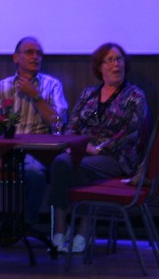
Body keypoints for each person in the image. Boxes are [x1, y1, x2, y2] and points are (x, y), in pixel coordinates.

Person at [49, 42, 149, 253]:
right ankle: (60, 229)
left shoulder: (135, 96)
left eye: (119, 59)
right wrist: (74, 145)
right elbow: (72, 125)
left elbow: (132, 132)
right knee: (60, 163)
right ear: (100, 67)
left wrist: (100, 148)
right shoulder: (88, 94)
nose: (116, 65)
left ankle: (84, 231)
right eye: (109, 60)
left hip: (117, 157)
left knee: (83, 168)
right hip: (84, 151)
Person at [0, 36, 67, 230]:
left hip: (39, 151)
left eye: (39, 53)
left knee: (34, 172)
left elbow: (58, 123)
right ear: (16, 58)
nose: (35, 57)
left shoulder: (52, 85)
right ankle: (5, 226)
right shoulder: (1, 88)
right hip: (7, 150)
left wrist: (35, 95)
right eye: (29, 52)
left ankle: (26, 223)